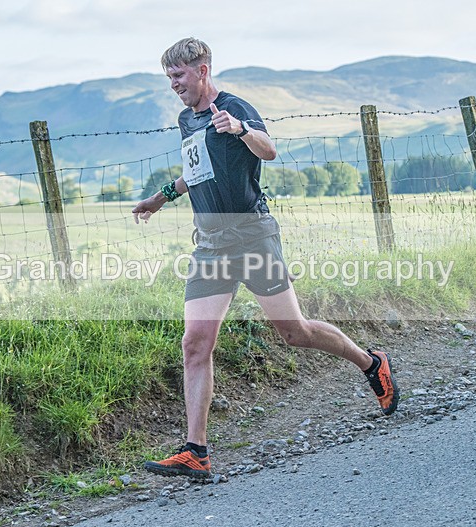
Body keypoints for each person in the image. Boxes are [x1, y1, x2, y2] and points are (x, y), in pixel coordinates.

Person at [132, 37, 399, 479]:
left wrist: (239, 129)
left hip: (252, 237)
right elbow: (198, 171)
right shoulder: (187, 118)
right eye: (168, 78)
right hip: (211, 246)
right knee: (195, 343)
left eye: (178, 75)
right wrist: (161, 197)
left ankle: (372, 363)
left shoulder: (234, 107)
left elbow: (268, 149)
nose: (173, 84)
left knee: (294, 332)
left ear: (202, 69)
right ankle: (195, 450)